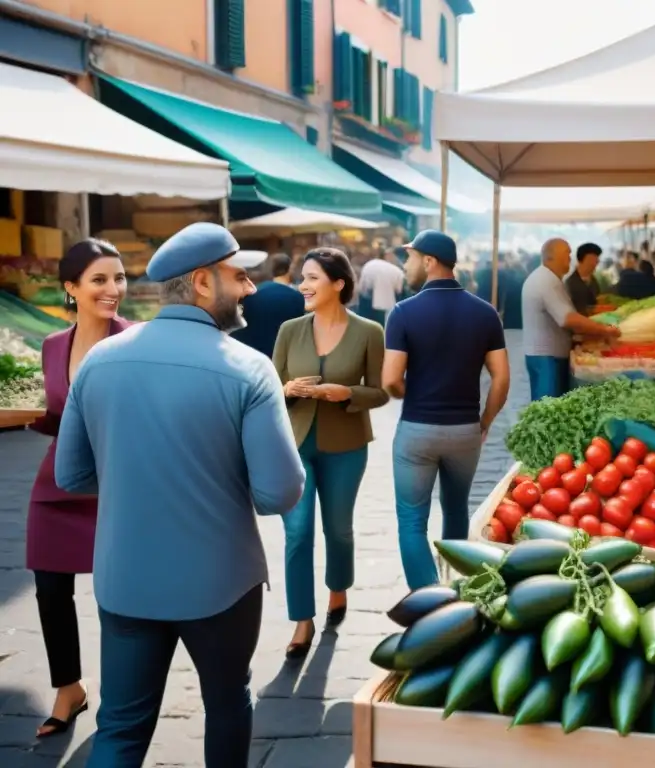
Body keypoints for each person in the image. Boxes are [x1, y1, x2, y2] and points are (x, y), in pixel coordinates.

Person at [55, 223, 305, 768]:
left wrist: (134, 479)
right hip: (221, 582)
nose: (250, 288)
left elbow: (70, 475)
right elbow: (279, 491)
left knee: (119, 728)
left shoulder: (99, 360)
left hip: (126, 579)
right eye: (239, 276)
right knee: (227, 705)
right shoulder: (248, 368)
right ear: (200, 281)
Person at [25, 240, 131, 738]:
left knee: (117, 599)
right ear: (71, 288)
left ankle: (122, 696)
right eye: (99, 280)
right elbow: (57, 418)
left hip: (119, 488)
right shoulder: (51, 346)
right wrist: (31, 419)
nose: (114, 290)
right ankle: (68, 688)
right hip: (58, 485)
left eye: (119, 278)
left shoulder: (138, 341)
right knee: (49, 590)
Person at [273, 248, 389, 658]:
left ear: (338, 284)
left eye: (312, 278)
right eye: (301, 277)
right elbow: (273, 387)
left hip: (346, 446)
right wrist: (287, 390)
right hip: (296, 445)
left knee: (338, 529)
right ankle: (302, 621)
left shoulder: (369, 332)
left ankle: (338, 588)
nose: (303, 285)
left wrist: (347, 393)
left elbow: (381, 392)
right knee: (297, 531)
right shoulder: (289, 330)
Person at [382, 230, 510, 589]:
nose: (405, 266)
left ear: (428, 261)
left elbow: (390, 379)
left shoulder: (403, 313)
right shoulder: (485, 314)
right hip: (465, 431)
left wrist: (415, 392)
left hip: (417, 431)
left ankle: (428, 603)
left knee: (411, 522)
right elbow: (501, 379)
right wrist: (484, 421)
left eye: (409, 258)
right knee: (456, 510)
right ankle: (457, 590)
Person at [521, 238, 621, 401]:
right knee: (548, 410)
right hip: (547, 358)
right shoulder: (547, 281)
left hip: (545, 355)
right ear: (552, 257)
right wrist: (604, 329)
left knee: (546, 407)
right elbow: (567, 318)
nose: (570, 257)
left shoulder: (548, 278)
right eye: (566, 253)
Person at [231, 252, 305, 357]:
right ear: (289, 269)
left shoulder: (244, 298)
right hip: (288, 360)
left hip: (248, 358)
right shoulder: (298, 297)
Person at [357, 250, 405, 325]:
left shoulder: (370, 264)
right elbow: (400, 291)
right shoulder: (397, 270)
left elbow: (362, 288)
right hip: (386, 304)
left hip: (368, 299)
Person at [565, 242, 602, 313]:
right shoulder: (570, 283)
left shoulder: (593, 279)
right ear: (581, 260)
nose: (596, 263)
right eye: (592, 259)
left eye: (597, 259)